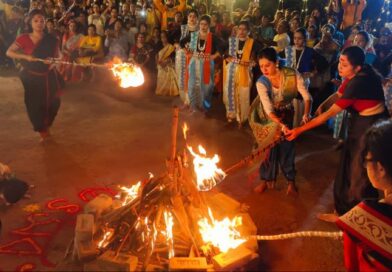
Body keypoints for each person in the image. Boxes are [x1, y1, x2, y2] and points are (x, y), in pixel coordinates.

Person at [286, 46, 390, 221]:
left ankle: (356, 218)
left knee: (359, 172)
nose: (340, 67)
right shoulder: (354, 75)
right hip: (360, 124)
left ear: (356, 68)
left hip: (370, 127)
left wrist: (298, 130)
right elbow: (338, 95)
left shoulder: (359, 82)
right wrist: (322, 104)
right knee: (346, 166)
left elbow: (329, 115)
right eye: (340, 62)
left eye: (344, 64)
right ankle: (342, 212)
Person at [251, 47, 312, 195]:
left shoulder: (291, 75)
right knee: (268, 148)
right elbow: (268, 108)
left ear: (276, 62)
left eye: (267, 65)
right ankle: (266, 180)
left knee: (287, 146)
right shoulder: (261, 82)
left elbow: (307, 97)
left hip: (287, 114)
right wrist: (280, 125)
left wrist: (306, 114)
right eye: (261, 66)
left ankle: (291, 181)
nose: (264, 69)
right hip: (268, 117)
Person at [336, 119, 392, 271]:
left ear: (380, 168)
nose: (365, 167)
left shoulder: (362, 221)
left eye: (366, 161)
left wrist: (350, 231)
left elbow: (352, 266)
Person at [6, 9, 63, 142]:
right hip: (32, 78)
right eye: (36, 21)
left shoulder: (52, 39)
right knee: (35, 104)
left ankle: (47, 125)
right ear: (30, 22)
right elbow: (9, 52)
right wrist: (25, 56)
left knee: (55, 102)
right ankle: (42, 130)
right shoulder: (24, 38)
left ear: (45, 23)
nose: (39, 23)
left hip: (49, 76)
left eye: (42, 21)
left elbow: (59, 56)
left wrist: (54, 61)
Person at [282, 27, 328, 127]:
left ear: (305, 39)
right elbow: (279, 59)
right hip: (288, 80)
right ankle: (285, 127)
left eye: (300, 38)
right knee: (287, 103)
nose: (297, 40)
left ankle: (297, 127)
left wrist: (312, 73)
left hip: (302, 81)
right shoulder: (288, 49)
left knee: (299, 105)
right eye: (295, 38)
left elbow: (324, 63)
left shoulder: (310, 51)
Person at [180, 15, 221, 113]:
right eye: (201, 24)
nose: (203, 26)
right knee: (192, 84)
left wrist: (213, 56)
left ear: (209, 25)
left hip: (207, 63)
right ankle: (193, 106)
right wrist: (186, 51)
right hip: (194, 62)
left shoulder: (213, 37)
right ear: (199, 24)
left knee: (207, 86)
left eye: (205, 24)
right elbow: (182, 42)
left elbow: (222, 48)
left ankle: (204, 106)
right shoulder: (194, 35)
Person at [222, 20, 260, 126]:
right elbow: (221, 50)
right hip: (231, 71)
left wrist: (254, 61)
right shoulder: (232, 41)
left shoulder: (254, 43)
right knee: (230, 92)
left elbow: (258, 56)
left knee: (243, 94)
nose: (242, 31)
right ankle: (231, 114)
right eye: (240, 29)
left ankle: (242, 118)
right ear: (237, 29)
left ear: (249, 31)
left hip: (245, 72)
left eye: (245, 29)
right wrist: (226, 57)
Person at [175, 9, 198, 108]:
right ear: (187, 18)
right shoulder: (182, 28)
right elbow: (171, 38)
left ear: (197, 18)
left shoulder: (200, 29)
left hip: (195, 57)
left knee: (194, 78)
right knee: (183, 77)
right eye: (190, 16)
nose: (192, 18)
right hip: (183, 57)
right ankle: (186, 100)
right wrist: (179, 46)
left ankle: (193, 101)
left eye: (194, 16)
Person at [155, 31, 178, 96]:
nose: (163, 39)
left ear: (167, 38)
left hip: (168, 64)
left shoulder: (171, 47)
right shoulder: (158, 45)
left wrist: (166, 62)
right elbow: (156, 55)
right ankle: (162, 91)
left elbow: (173, 57)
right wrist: (157, 63)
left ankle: (169, 91)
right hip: (160, 64)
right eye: (162, 37)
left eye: (165, 37)